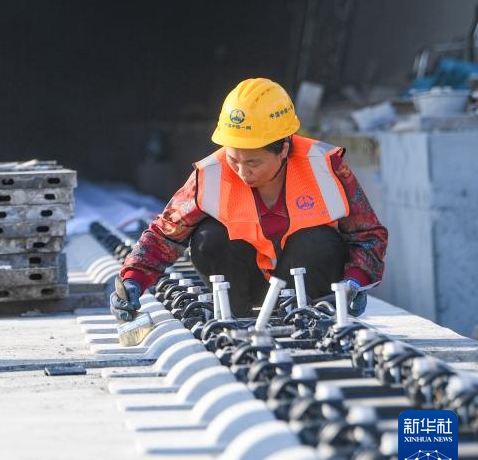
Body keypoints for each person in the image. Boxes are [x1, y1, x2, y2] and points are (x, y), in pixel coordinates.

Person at [110, 78, 387, 321]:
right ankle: (237, 317)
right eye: (234, 159)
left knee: (318, 241)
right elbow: (165, 234)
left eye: (253, 161)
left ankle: (310, 317)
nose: (242, 171)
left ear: (284, 150)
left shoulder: (324, 167)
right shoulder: (212, 173)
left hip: (311, 284)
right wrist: (133, 279)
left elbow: (369, 235)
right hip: (244, 287)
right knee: (208, 237)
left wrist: (355, 282)